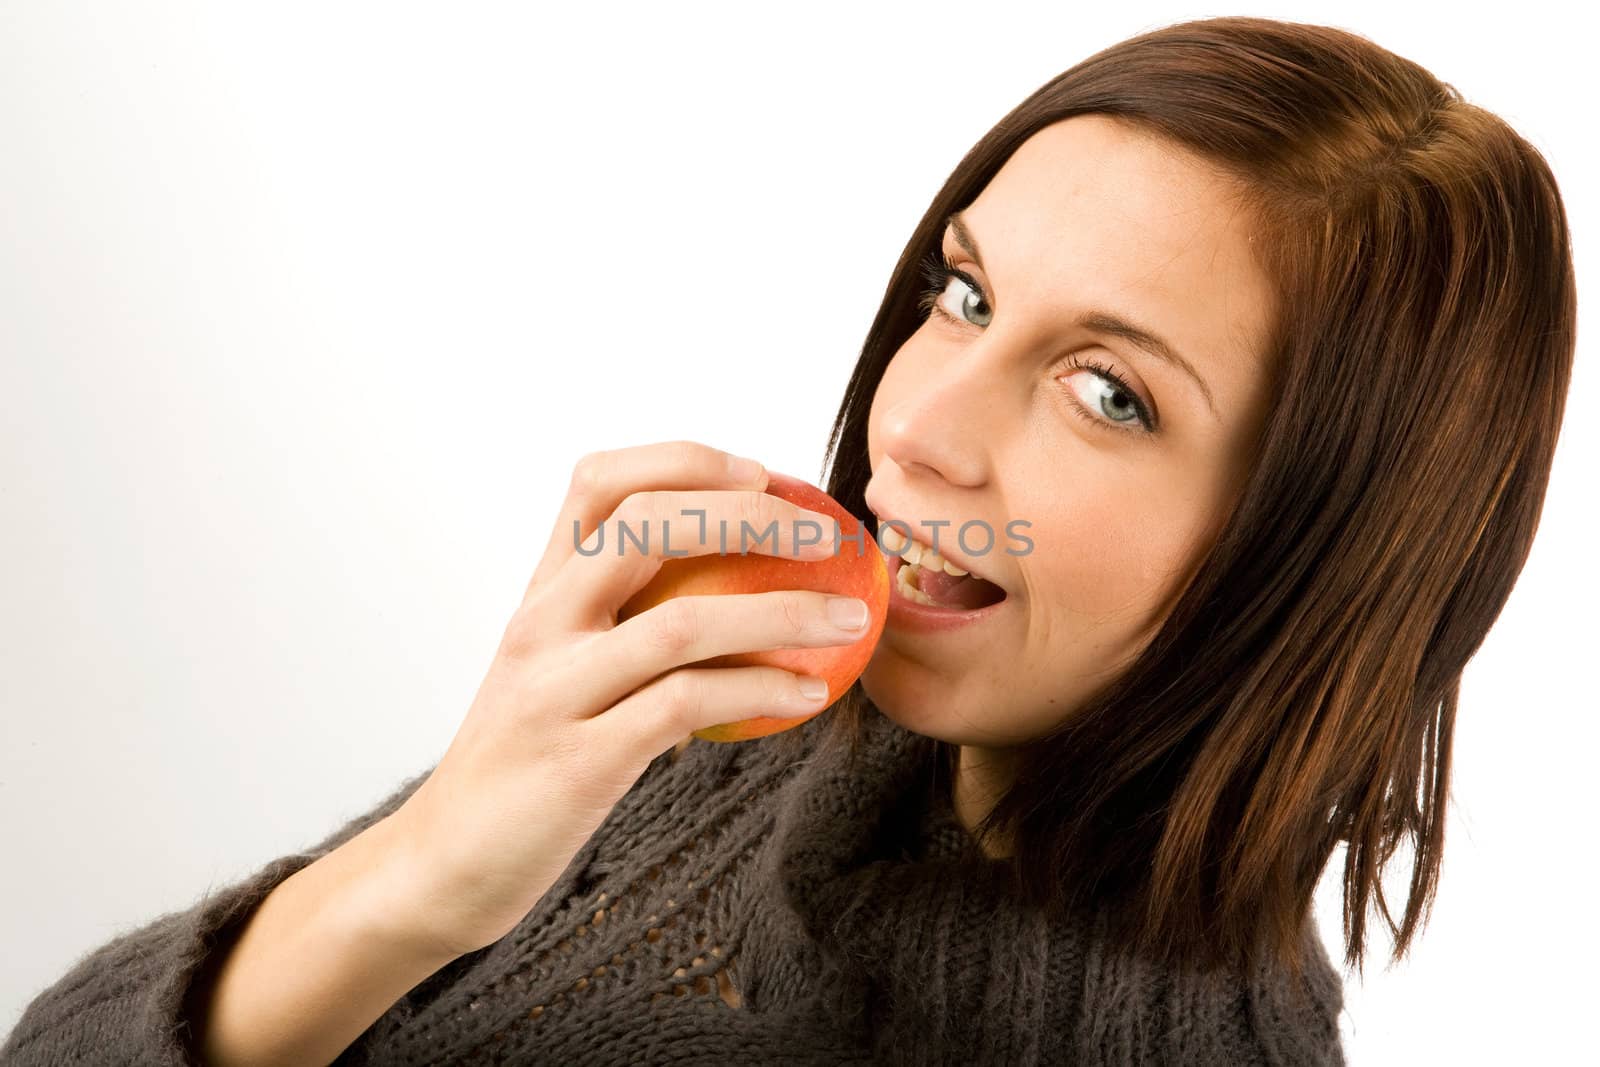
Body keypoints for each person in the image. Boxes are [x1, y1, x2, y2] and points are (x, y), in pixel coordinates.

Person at [1, 14, 1575, 1067]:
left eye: (1107, 392)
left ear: (1324, 554)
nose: (919, 428)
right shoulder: (738, 729)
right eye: (962, 297)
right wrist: (417, 876)